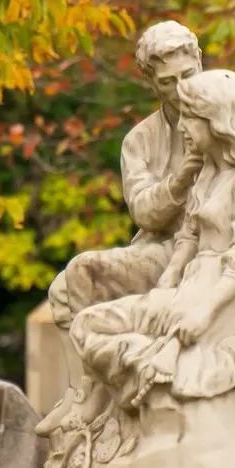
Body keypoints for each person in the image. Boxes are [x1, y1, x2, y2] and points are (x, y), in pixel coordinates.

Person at [39, 69, 235, 468]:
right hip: (184, 288)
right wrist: (164, 289)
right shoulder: (205, 175)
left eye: (191, 118)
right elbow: (185, 237)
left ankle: (136, 391)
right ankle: (125, 382)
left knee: (126, 335)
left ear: (217, 121)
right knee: (90, 322)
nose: (182, 127)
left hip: (217, 301)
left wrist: (202, 309)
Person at [45, 20, 206, 329]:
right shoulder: (139, 139)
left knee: (81, 272)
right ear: (151, 81)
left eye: (188, 74)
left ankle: (96, 373)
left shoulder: (227, 116)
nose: (182, 89)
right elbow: (145, 214)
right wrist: (183, 177)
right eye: (168, 81)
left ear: (199, 59)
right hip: (160, 248)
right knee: (64, 288)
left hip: (206, 249)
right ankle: (92, 376)